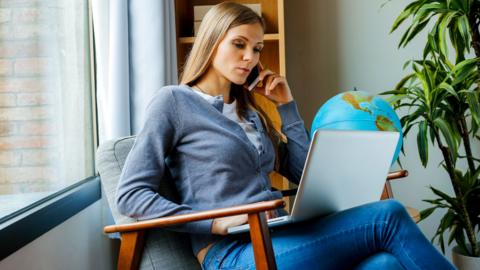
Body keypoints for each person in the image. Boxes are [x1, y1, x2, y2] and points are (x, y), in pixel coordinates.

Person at [116, 2, 456, 269]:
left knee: (384, 264)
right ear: (211, 42)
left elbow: (302, 172)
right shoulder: (174, 102)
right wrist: (216, 223)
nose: (250, 57)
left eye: (258, 48)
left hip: (281, 236)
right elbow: (131, 195)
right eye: (239, 44)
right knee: (388, 214)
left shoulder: (250, 112)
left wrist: (287, 107)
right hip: (232, 254)